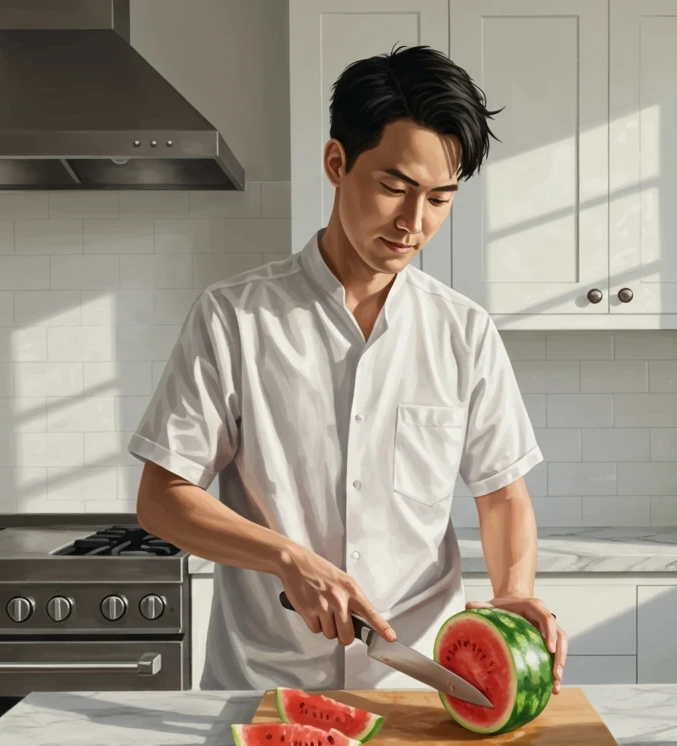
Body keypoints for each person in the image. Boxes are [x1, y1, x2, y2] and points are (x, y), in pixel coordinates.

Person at [131, 44, 567, 695]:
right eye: (394, 187)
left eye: (440, 199)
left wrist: (514, 593)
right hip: (265, 683)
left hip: (420, 686)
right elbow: (161, 500)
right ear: (337, 163)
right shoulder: (235, 317)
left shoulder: (463, 331)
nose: (414, 224)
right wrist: (287, 558)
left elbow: (502, 494)